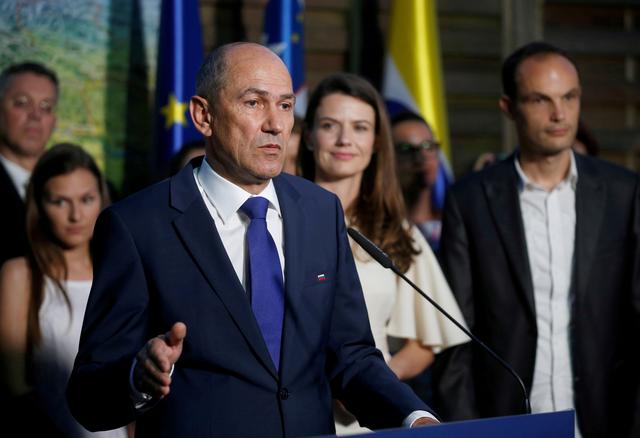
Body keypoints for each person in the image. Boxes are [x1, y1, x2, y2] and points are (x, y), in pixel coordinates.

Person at [66, 42, 438, 437]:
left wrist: (416, 419)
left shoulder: (320, 211)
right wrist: (137, 377)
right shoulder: (137, 225)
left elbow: (352, 357)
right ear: (204, 115)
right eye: (254, 103)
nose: (275, 124)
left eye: (285, 105)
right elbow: (88, 397)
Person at [434, 42, 640, 438]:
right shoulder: (470, 200)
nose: (559, 114)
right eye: (540, 100)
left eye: (569, 97)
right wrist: (466, 431)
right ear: (508, 107)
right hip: (506, 420)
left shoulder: (623, 192)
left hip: (605, 419)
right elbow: (455, 334)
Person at [299, 73, 469, 435]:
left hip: (363, 420)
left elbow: (425, 340)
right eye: (330, 125)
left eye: (360, 127)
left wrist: (373, 382)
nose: (345, 140)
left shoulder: (396, 232)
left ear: (377, 142)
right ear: (309, 136)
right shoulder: (275, 218)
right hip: (290, 409)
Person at [0, 143, 127, 437]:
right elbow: (15, 386)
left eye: (86, 199)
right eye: (60, 201)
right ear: (39, 204)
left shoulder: (120, 272)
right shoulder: (20, 275)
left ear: (102, 199)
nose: (75, 215)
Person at [0, 62, 58, 267]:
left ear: (54, 120)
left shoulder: (87, 189)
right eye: (22, 103)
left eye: (46, 107)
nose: (35, 115)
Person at [390, 111, 446, 251]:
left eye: (428, 146)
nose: (421, 157)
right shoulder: (372, 230)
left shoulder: (456, 223)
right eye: (406, 149)